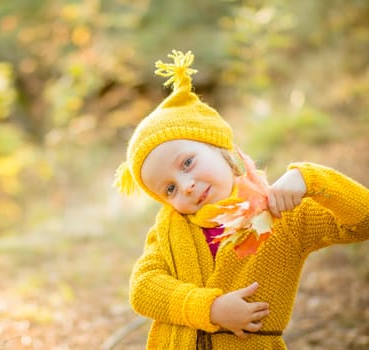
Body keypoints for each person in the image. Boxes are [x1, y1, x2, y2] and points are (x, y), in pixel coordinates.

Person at [113, 50, 369, 349]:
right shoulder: (170, 231)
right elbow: (143, 288)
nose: (187, 186)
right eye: (169, 189)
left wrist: (310, 179)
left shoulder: (278, 213)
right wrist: (209, 308)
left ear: (221, 148)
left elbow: (362, 221)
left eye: (187, 163)